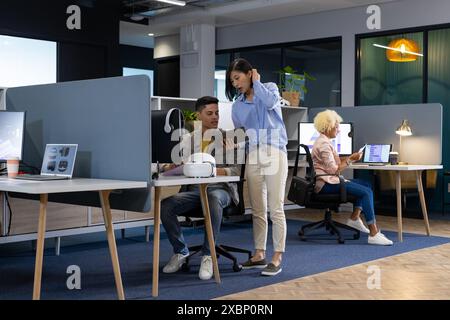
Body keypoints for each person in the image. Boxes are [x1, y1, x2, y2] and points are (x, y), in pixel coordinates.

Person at [160, 96, 241, 280]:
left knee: (213, 198)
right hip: (194, 191)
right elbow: (169, 164)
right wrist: (170, 167)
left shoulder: (228, 138)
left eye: (217, 113)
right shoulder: (187, 140)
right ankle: (180, 251)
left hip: (220, 189)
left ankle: (208, 255)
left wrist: (211, 169)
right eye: (210, 113)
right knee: (166, 205)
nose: (215, 117)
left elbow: (235, 170)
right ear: (199, 115)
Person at [226, 58, 288, 276]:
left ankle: (277, 256)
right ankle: (259, 254)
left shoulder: (268, 89)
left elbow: (272, 103)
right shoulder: (237, 105)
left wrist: (258, 82)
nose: (235, 83)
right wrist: (235, 142)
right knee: (258, 208)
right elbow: (244, 134)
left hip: (274, 152)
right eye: (232, 80)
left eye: (238, 78)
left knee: (275, 206)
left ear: (249, 74)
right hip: (253, 154)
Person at [311, 109, 393, 245]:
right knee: (366, 192)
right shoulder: (324, 144)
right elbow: (334, 170)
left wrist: (351, 158)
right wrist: (350, 160)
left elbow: (334, 163)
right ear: (327, 127)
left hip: (329, 180)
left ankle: (354, 218)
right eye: (337, 126)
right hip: (327, 184)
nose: (339, 130)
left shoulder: (323, 141)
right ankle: (374, 233)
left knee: (366, 184)